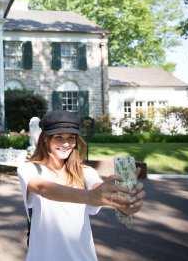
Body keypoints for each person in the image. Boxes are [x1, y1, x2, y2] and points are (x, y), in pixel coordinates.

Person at [17, 110, 145, 261]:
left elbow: (98, 189)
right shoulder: (30, 169)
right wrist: (90, 196)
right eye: (59, 137)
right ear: (45, 139)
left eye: (71, 138)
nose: (66, 143)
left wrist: (126, 204)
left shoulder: (85, 172)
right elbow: (42, 188)